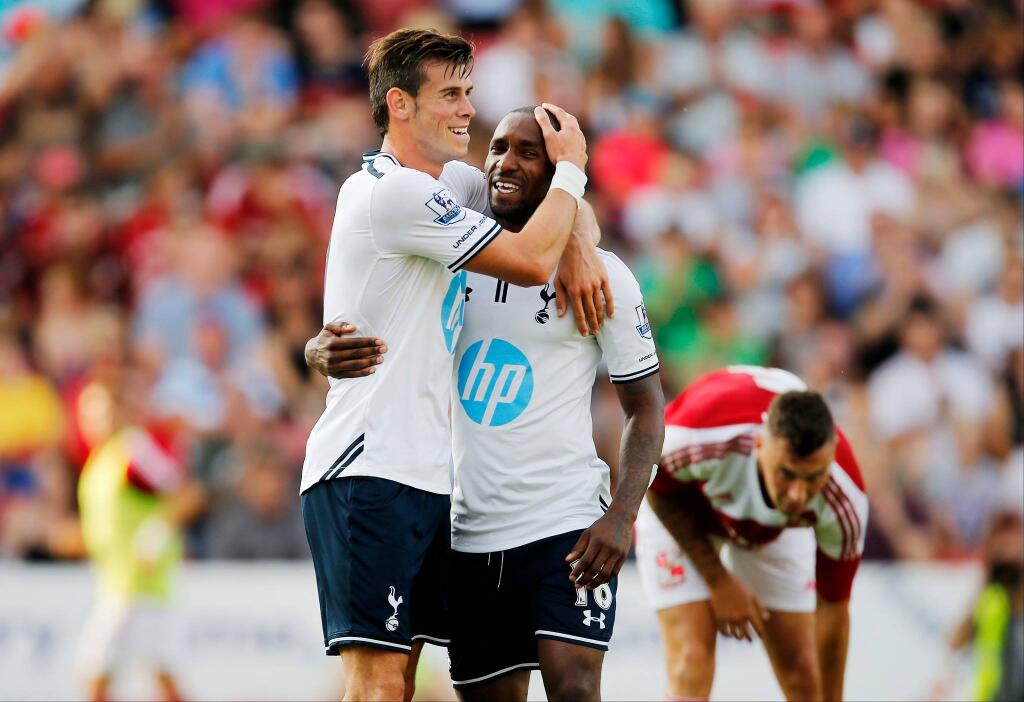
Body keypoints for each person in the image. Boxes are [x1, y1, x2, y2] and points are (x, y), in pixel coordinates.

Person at [306, 107, 665, 701]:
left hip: (565, 522)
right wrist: (317, 347)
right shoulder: (452, 253)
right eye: (498, 147)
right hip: (466, 530)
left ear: (559, 177)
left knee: (575, 687)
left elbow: (646, 408)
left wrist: (622, 515)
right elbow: (369, 293)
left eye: (530, 153)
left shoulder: (606, 279)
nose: (504, 162)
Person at [636, 365, 868, 702]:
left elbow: (833, 608)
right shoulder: (700, 436)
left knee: (804, 677)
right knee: (692, 659)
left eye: (813, 478)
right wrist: (718, 580)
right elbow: (654, 484)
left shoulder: (846, 498)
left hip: (771, 532)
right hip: (679, 503)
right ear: (760, 444)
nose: (798, 495)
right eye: (786, 473)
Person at [74, 369, 204, 702]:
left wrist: (156, 533)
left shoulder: (131, 450)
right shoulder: (98, 464)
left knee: (95, 673)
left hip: (136, 586)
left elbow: (187, 494)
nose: (92, 420)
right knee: (161, 677)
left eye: (100, 410)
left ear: (117, 410)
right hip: (122, 584)